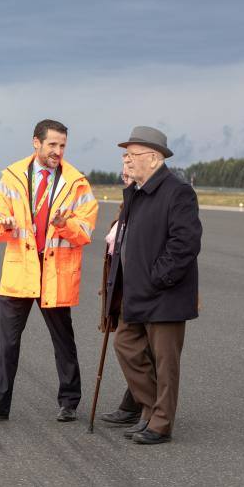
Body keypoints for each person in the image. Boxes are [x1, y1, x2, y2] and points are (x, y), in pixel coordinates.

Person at [0, 119, 98, 423]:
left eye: (63, 145)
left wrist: (67, 225)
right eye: (52, 144)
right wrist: (4, 225)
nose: (58, 151)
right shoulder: (11, 178)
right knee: (8, 343)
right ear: (36, 143)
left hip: (55, 271)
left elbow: (86, 230)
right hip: (21, 270)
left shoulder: (77, 182)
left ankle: (69, 402)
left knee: (63, 340)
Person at [104, 126, 202, 444]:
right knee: (126, 346)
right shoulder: (135, 192)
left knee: (165, 362)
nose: (127, 161)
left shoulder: (177, 191)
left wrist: (158, 277)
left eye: (133, 155)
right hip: (137, 293)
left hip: (165, 294)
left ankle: (160, 424)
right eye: (125, 155)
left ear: (155, 158)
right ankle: (148, 409)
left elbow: (185, 243)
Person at [98, 166, 143, 426]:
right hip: (124, 287)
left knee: (135, 347)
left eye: (129, 170)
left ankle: (146, 406)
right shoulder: (128, 201)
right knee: (132, 346)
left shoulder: (145, 201)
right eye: (122, 173)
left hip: (144, 288)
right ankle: (135, 404)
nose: (124, 176)